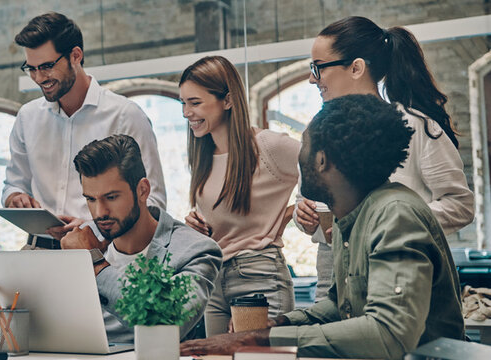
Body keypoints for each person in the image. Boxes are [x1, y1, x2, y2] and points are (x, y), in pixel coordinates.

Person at [180, 94, 465, 359]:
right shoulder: (348, 218)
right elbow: (339, 305)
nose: (298, 156)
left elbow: (388, 333)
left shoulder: (396, 216)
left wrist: (265, 340)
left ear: (321, 160)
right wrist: (276, 325)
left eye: (303, 145)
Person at [294, 16, 474, 301]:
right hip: (333, 273)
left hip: (398, 267)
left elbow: (461, 205)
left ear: (356, 68)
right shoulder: (318, 131)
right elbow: (309, 201)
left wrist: (392, 226)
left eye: (318, 67)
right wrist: (303, 215)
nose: (311, 78)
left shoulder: (414, 126)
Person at [3, 12, 167, 247]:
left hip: (102, 250)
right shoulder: (27, 117)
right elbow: (13, 183)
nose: (39, 78)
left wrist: (96, 230)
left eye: (47, 66)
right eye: (31, 68)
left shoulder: (125, 115)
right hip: (38, 248)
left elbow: (154, 202)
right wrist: (14, 197)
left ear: (76, 56)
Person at [60, 134, 221, 342]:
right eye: (91, 199)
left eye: (111, 197)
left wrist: (97, 265)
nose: (100, 212)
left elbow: (166, 324)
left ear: (142, 190)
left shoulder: (196, 251)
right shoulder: (81, 242)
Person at [179, 56, 299, 336]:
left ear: (228, 100)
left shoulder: (267, 146)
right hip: (214, 278)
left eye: (195, 103)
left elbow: (330, 171)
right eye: (183, 104)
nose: (187, 112)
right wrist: (197, 227)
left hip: (258, 277)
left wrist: (287, 216)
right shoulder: (203, 156)